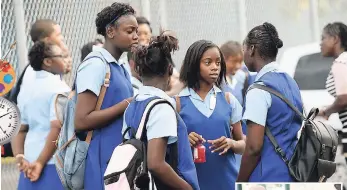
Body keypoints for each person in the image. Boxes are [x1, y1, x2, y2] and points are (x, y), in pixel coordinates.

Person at [122, 32, 199, 190]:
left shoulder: (132, 105)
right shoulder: (161, 107)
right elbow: (156, 163)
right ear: (170, 69)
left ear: (139, 71)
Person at [73, 3, 138, 189]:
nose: (135, 36)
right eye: (129, 31)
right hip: (100, 158)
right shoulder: (95, 65)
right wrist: (126, 104)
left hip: (119, 158)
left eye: (136, 31)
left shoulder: (120, 66)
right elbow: (82, 120)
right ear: (110, 31)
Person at [237, 22, 303, 182]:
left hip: (267, 177)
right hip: (294, 173)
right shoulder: (290, 82)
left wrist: (240, 181)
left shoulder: (259, 90)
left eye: (244, 49)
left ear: (252, 49)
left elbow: (253, 147)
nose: (243, 54)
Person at [177, 40, 245, 190]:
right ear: (194, 65)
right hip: (192, 184)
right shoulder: (178, 103)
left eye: (218, 63)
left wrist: (232, 143)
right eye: (208, 62)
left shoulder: (228, 100)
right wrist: (184, 141)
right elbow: (166, 149)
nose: (215, 67)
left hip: (227, 183)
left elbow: (244, 143)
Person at [4, 19, 69, 158]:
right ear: (47, 40)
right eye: (58, 34)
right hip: (43, 153)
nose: (62, 38)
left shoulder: (46, 71)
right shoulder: (35, 74)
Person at [12, 41, 71, 190]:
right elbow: (57, 128)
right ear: (48, 61)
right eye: (61, 56)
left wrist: (19, 156)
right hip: (51, 164)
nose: (66, 59)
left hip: (28, 163)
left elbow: (20, 128)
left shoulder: (26, 88)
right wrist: (40, 162)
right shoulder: (59, 88)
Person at [319, 22, 347, 168]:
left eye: (323, 38)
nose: (320, 43)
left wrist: (327, 111)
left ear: (335, 39)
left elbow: (343, 99)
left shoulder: (341, 62)